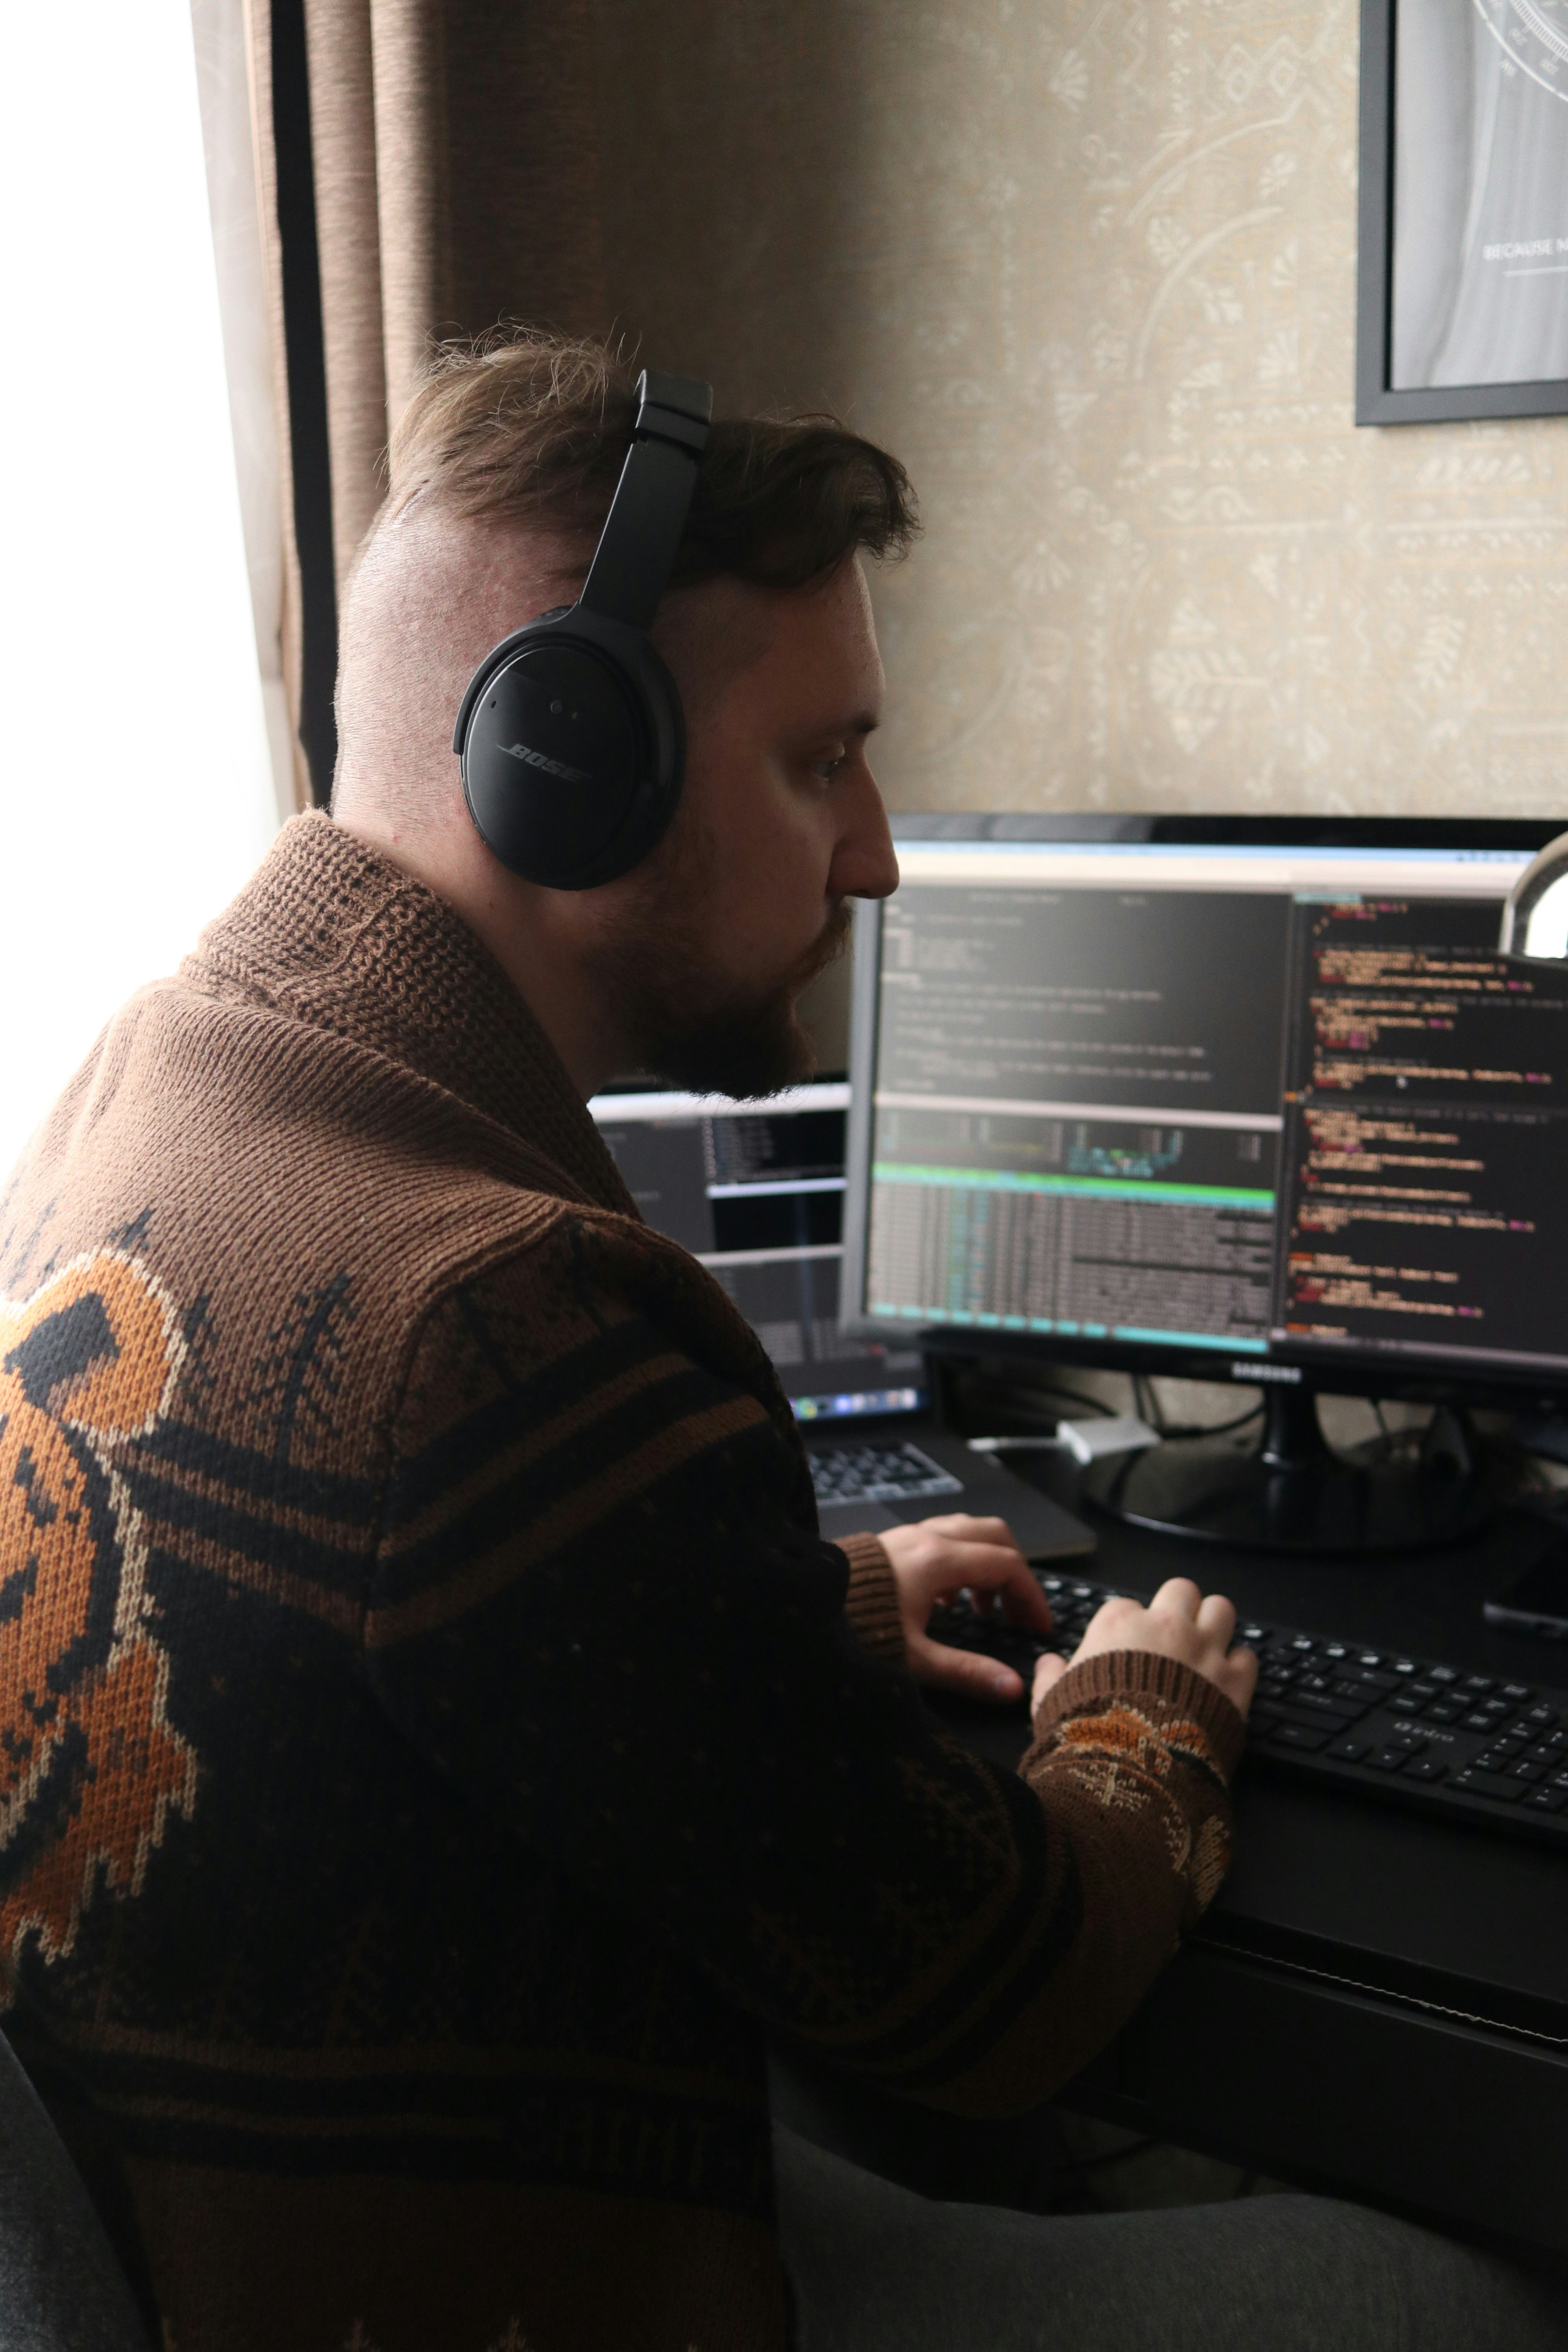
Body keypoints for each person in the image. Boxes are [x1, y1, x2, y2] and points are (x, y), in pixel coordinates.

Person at [0, 332, 1561, 2352]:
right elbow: (990, 1999)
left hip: (294, 2217)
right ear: (571, 765)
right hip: (518, 2286)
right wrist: (1143, 1716)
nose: (878, 854)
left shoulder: (145, 1080)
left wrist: (793, 1606)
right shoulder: (500, 1314)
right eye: (821, 761)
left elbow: (422, 1638)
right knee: (1472, 2299)